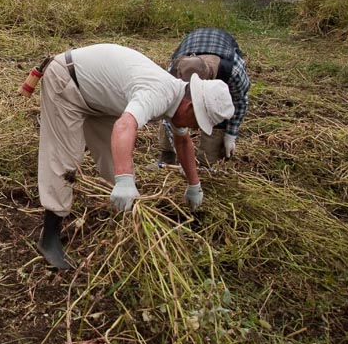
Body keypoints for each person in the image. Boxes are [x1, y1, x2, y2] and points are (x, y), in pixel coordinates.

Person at [34, 43, 234, 269]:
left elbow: (183, 140)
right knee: (65, 161)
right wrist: (125, 180)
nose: (195, 129)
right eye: (197, 123)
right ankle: (49, 238)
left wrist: (194, 184)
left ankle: (125, 220)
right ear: (190, 108)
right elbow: (125, 125)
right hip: (66, 82)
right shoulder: (159, 93)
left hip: (97, 98)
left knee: (114, 162)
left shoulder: (178, 97)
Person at [159, 28, 250, 166]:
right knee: (173, 111)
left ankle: (206, 164)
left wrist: (231, 134)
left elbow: (240, 100)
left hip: (222, 58)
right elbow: (167, 115)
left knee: (215, 114)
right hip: (192, 45)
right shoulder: (175, 71)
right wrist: (180, 152)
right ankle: (167, 156)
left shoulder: (233, 71)